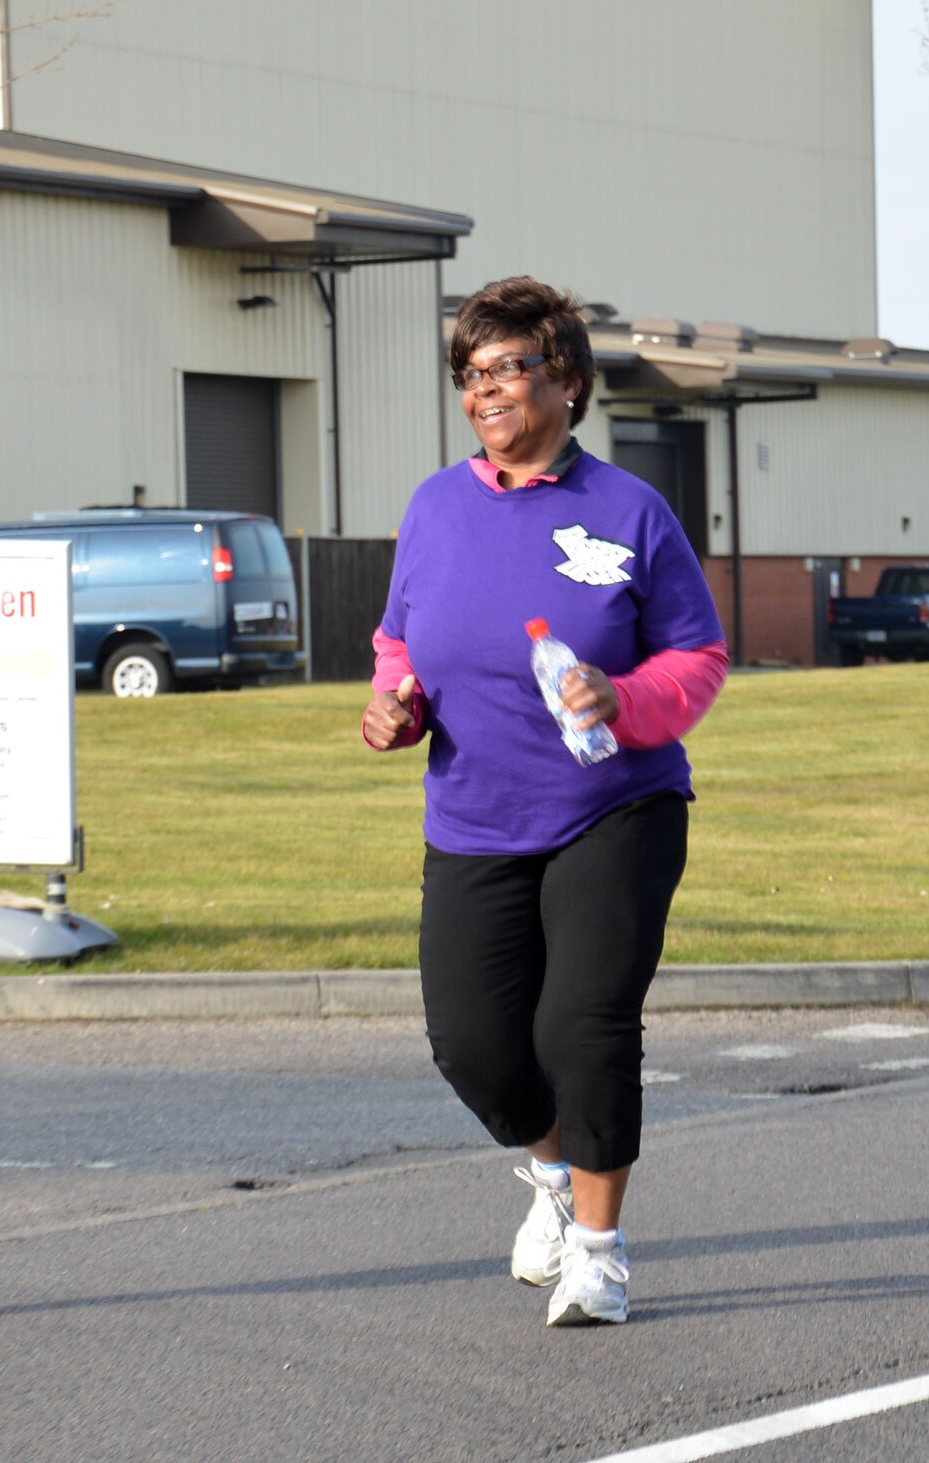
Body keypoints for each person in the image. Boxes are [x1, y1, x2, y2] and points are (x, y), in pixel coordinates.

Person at [362, 277, 728, 1326]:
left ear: (564, 379)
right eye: (470, 374)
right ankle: (554, 1177)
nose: (484, 390)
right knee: (472, 1044)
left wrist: (625, 695)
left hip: (614, 804)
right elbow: (401, 642)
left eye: (507, 367)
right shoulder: (434, 506)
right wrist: (395, 704)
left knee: (583, 1023)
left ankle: (601, 1252)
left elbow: (696, 655)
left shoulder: (628, 510)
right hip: (473, 813)